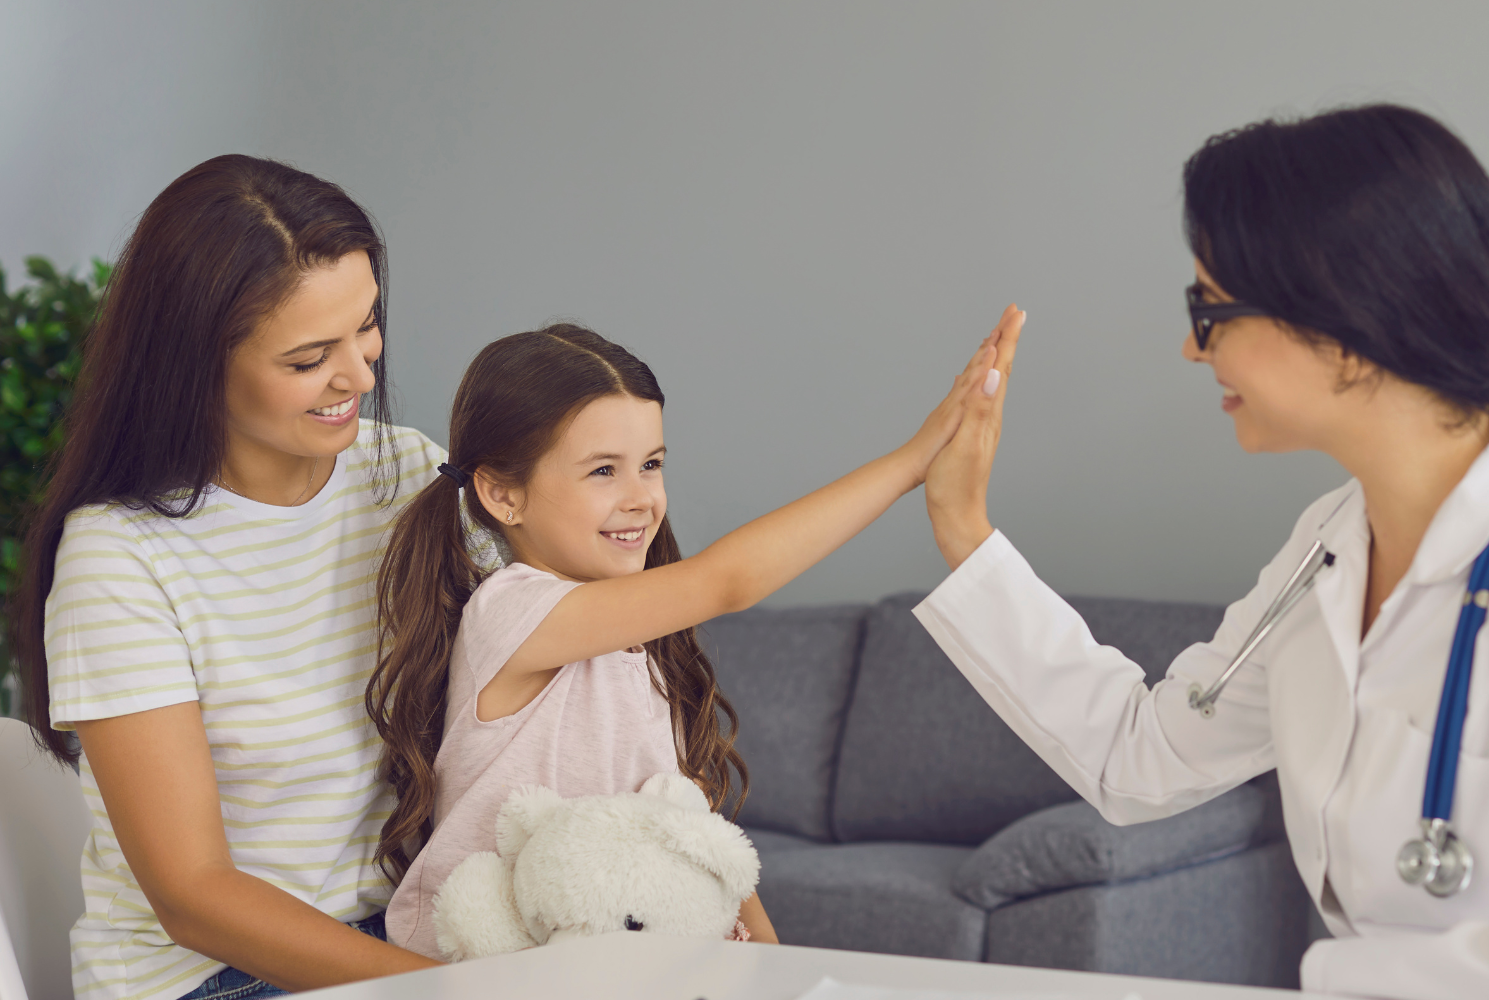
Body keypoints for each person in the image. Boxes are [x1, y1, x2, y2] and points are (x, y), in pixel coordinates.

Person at [915, 105, 1489, 1000]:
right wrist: (962, 525)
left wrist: (1344, 977)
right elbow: (1139, 756)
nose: (1190, 347)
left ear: (1343, 329)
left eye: (1209, 310)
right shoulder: (1330, 545)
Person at [370, 317, 1017, 959]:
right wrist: (911, 463)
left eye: (650, 465)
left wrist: (772, 962)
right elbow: (728, 581)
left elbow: (690, 821)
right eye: (603, 471)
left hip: (626, 961)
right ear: (502, 494)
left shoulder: (638, 647)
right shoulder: (509, 613)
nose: (641, 497)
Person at [10, 156, 498, 998]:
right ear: (195, 365)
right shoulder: (120, 558)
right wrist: (446, 991)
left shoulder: (407, 474)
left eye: (367, 326)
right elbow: (195, 897)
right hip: (215, 974)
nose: (360, 375)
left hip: (404, 930)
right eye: (308, 358)